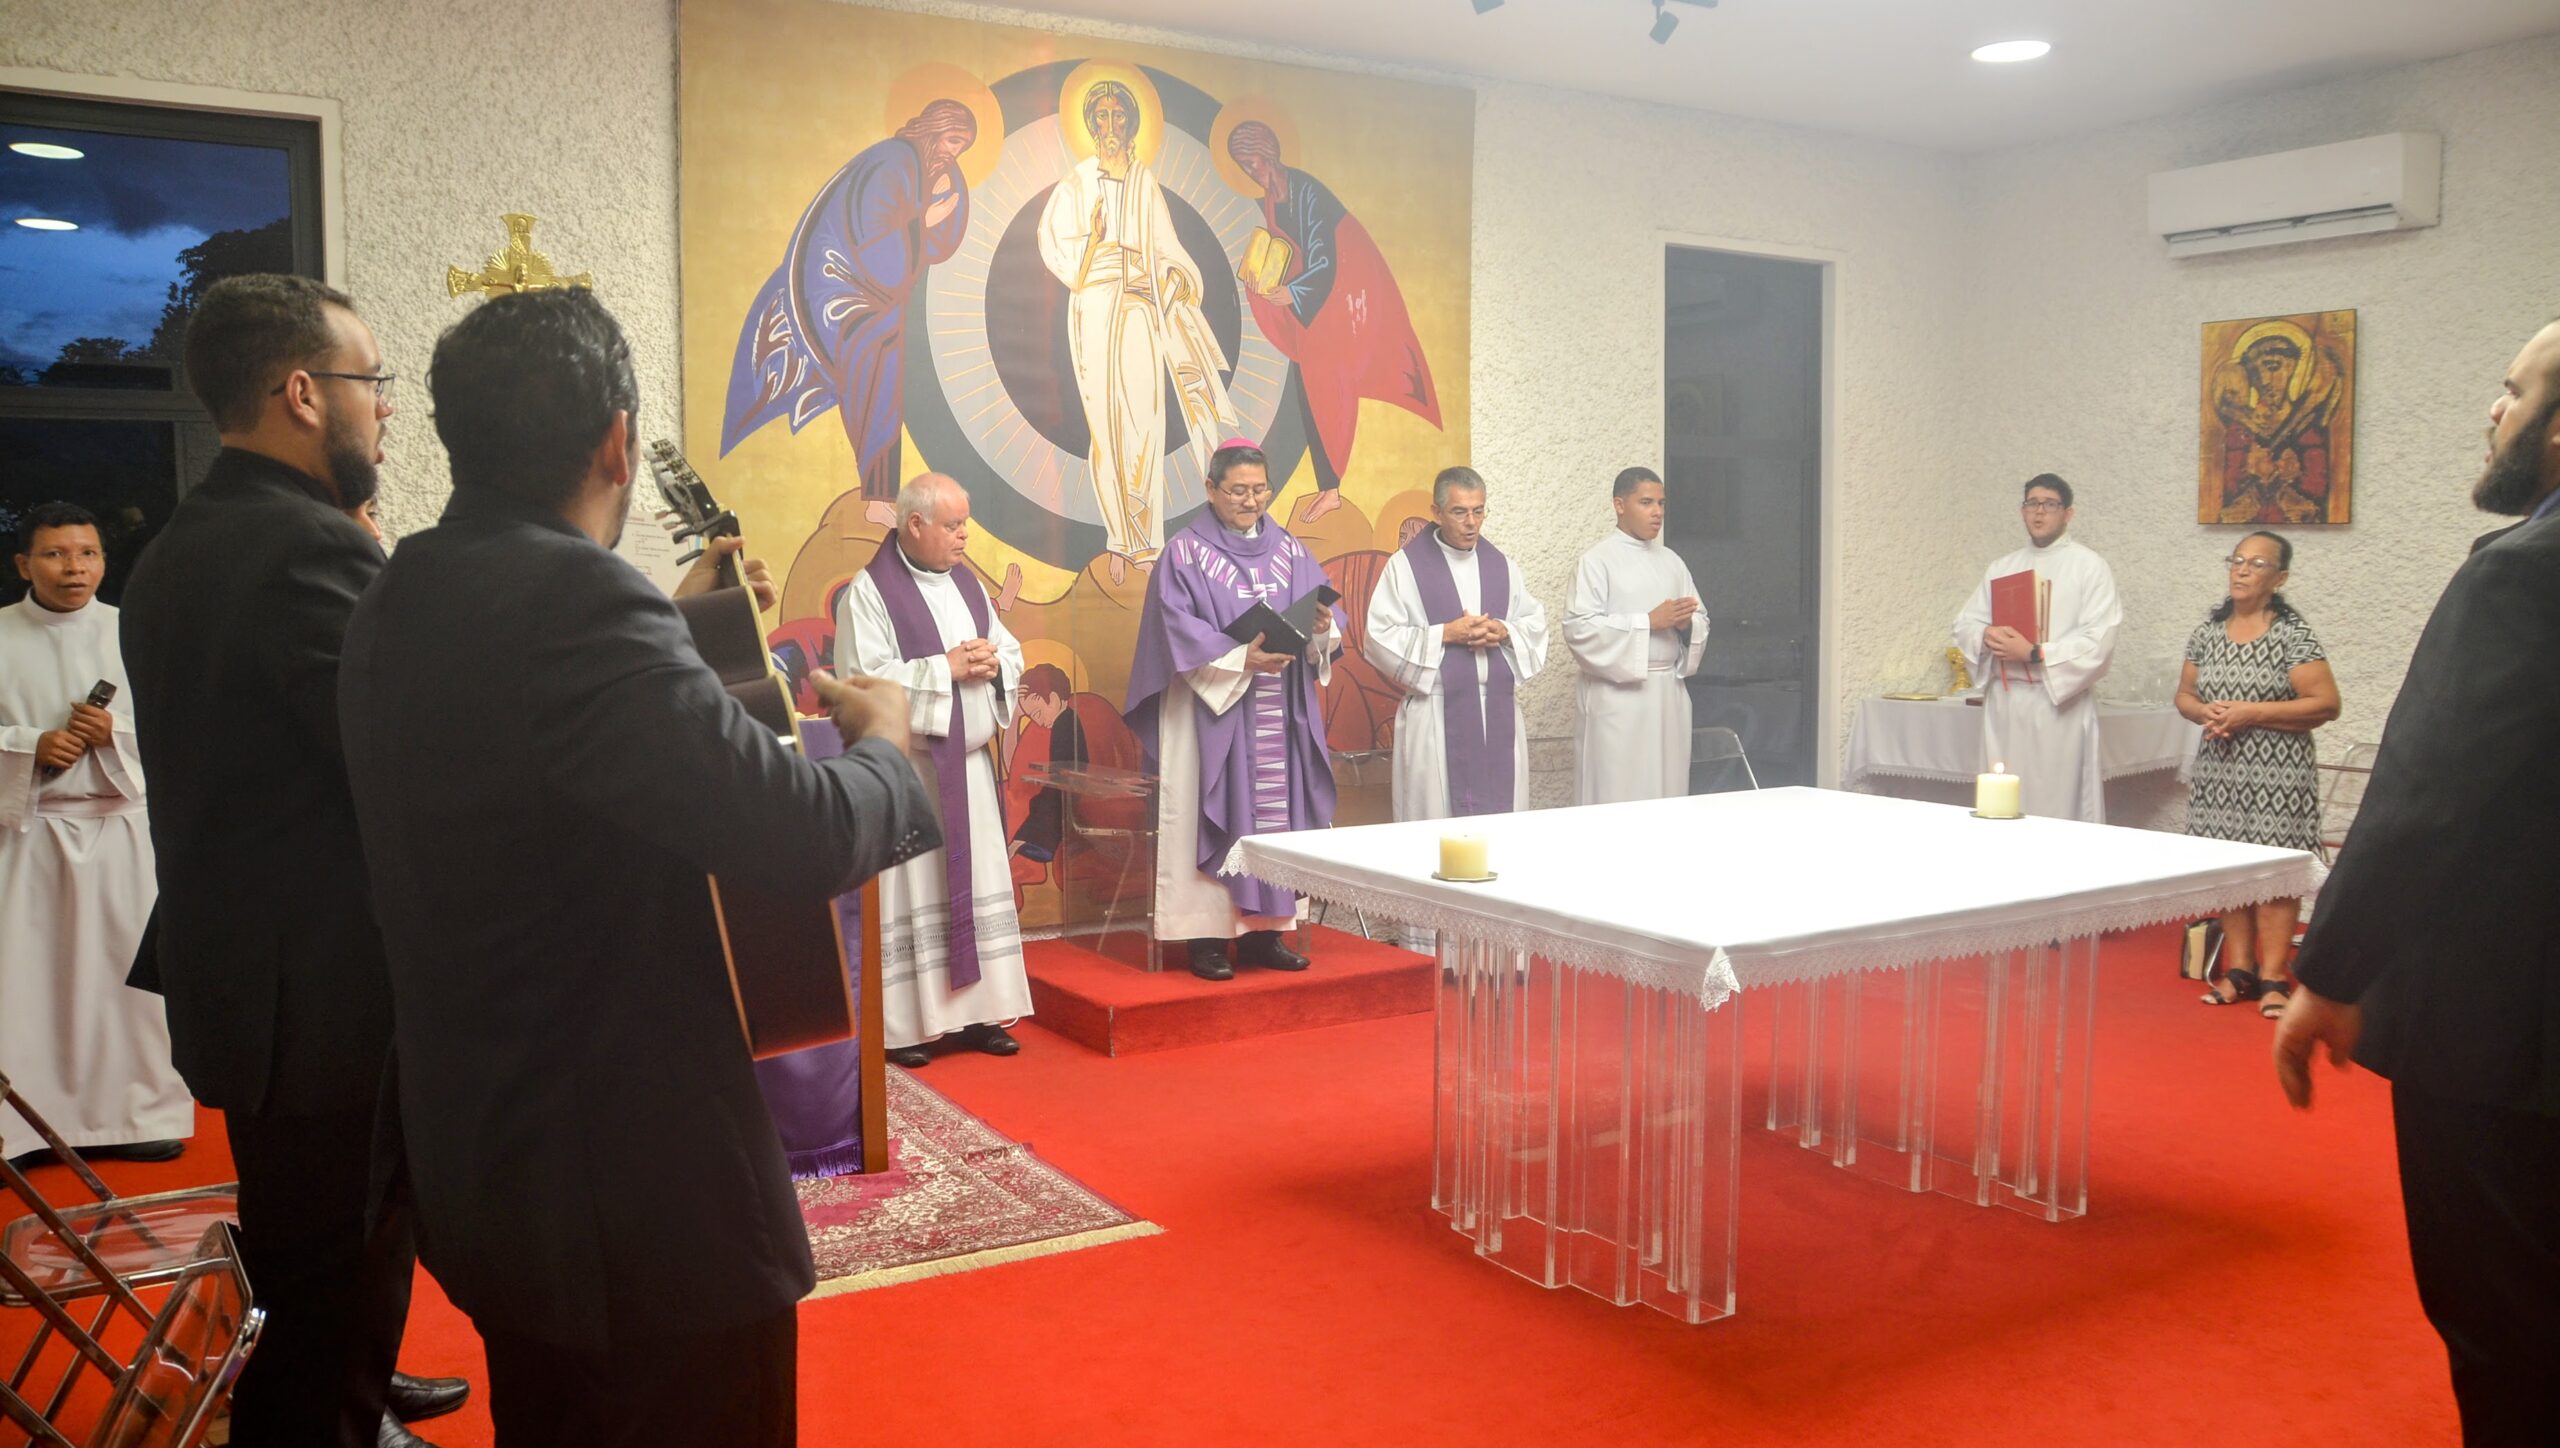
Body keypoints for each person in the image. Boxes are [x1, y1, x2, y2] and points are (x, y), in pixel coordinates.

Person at [339, 288, 937, 1446]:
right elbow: (801, 835)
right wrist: (888, 749)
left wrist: (677, 629)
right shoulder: (575, 597)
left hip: (497, 1155)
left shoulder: (403, 584)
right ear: (618, 441)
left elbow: (539, 748)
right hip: (636, 1199)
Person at [118, 274, 466, 1448]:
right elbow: (409, 754)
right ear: (304, 392)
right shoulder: (303, 547)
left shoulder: (187, 539)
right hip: (321, 998)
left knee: (320, 1265)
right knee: (327, 1286)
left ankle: (361, 1387)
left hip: (257, 978)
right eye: (373, 380)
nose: (386, 407)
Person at [2275, 318, 2560, 1442]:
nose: (2494, 409)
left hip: (2509, 1029)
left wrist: (2331, 969)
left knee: (2510, 1323)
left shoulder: (2523, 573)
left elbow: (2426, 795)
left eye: (2513, 390)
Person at [1, 503, 189, 1165]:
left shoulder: (137, 631)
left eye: (87, 554)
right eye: (55, 554)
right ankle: (22, 1130)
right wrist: (28, 746)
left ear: (104, 562)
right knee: (25, 987)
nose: (73, 568)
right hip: (30, 835)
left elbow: (184, 729)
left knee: (126, 986)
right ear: (24, 564)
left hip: (119, 833)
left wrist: (115, 735)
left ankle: (136, 1116)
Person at [1126, 439, 1341, 981]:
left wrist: (1321, 627)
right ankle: (1207, 939)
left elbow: (1321, 623)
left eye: (1260, 490)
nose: (1251, 501)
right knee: (1206, 812)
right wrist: (1241, 656)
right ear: (1210, 489)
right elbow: (1174, 628)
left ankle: (1269, 934)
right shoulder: (1184, 553)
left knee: (1275, 815)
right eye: (1238, 491)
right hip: (1211, 709)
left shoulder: (1291, 550)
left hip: (1278, 712)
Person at [837, 473, 1032, 1068]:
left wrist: (994, 664)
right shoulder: (869, 593)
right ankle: (908, 1028)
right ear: (915, 524)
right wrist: (944, 668)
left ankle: (981, 1014)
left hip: (968, 773)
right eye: (953, 525)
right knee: (917, 893)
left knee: (978, 887)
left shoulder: (968, 585)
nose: (964, 536)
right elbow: (861, 683)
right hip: (913, 775)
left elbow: (1010, 648)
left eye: (965, 524)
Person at [723, 100, 979, 503]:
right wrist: (923, 222)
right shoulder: (893, 162)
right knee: (878, 372)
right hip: (840, 289)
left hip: (880, 300)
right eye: (952, 140)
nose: (954, 152)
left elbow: (937, 245)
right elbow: (871, 243)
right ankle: (878, 496)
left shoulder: (927, 168)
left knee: (887, 381)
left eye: (962, 146)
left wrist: (943, 203)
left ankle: (880, 495)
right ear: (934, 130)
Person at [1039, 77, 1239, 567]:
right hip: (1095, 307)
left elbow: (1169, 250)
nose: (1111, 126)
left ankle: (1147, 542)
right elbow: (1055, 247)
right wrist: (1094, 240)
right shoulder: (1075, 185)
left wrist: (1175, 279)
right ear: (1091, 126)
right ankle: (1119, 539)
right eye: (1102, 117)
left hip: (1140, 310)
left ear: (1131, 124)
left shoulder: (1145, 183)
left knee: (1144, 422)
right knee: (1105, 422)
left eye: (1118, 116)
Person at [2175, 530, 2340, 1015]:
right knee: (2230, 872)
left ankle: (2273, 977)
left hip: (2277, 774)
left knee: (2274, 875)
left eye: (2258, 564)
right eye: (2237, 560)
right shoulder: (2207, 633)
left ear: (2280, 578)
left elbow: (2326, 703)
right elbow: (2185, 695)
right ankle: (2240, 971)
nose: (2243, 570)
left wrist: (2252, 713)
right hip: (2220, 770)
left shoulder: (2292, 635)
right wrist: (2205, 712)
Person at [1364, 465, 1549, 823]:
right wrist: (1446, 634)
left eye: (1479, 511)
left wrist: (1503, 631)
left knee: (1499, 825)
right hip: (1435, 714)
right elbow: (1377, 637)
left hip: (1496, 712)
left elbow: (1534, 623)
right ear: (1436, 512)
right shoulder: (1405, 568)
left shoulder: (1502, 566)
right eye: (1460, 512)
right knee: (1438, 824)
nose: (1472, 523)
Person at [1951, 474, 2122, 822]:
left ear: (2068, 514)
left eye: (2050, 504)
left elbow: (2100, 641)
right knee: (2000, 808)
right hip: (2005, 705)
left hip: (2058, 708)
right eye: (2032, 503)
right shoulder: (2002, 568)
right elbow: (1965, 625)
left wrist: (2035, 653)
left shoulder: (2089, 566)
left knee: (2056, 807)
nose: (2039, 512)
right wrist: (1987, 635)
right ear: (2022, 511)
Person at [1564, 466, 1707, 805]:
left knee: (1668, 790)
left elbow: (1700, 617)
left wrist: (1686, 625)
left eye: (1661, 503)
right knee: (1618, 792)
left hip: (1668, 697)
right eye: (1646, 502)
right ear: (1619, 505)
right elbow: (1579, 629)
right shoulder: (1596, 561)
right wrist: (1647, 622)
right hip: (1619, 700)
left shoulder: (1672, 561)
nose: (1657, 512)